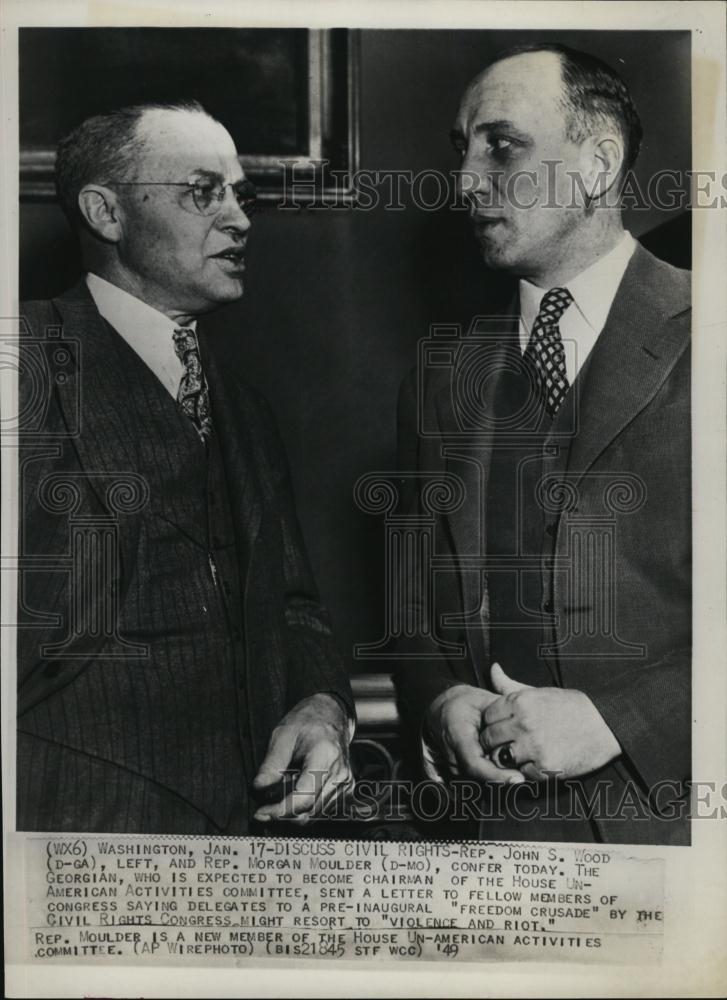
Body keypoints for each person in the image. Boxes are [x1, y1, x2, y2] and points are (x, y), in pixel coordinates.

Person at [17, 100, 354, 834]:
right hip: (68, 830)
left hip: (258, 829)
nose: (240, 219)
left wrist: (323, 704)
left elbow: (295, 607)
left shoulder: (246, 410)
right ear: (106, 212)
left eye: (241, 195)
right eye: (204, 192)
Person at [394, 44, 690, 845]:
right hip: (494, 844)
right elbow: (411, 611)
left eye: (502, 145)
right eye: (463, 151)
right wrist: (439, 702)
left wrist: (618, 721)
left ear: (597, 164)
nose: (463, 182)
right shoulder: (441, 374)